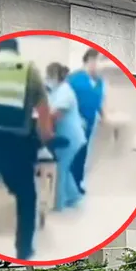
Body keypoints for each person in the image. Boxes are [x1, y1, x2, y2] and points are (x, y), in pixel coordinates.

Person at [0, 38, 53, 261]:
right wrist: (44, 138)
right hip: (14, 138)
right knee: (26, 194)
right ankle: (24, 247)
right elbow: (42, 107)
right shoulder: (27, 69)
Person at [44, 63, 87, 211]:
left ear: (55, 76)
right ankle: (74, 196)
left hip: (71, 137)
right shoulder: (56, 91)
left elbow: (55, 114)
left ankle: (58, 204)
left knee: (60, 168)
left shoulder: (65, 92)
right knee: (64, 166)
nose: (47, 79)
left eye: (49, 76)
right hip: (67, 134)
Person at [65, 48, 105, 193]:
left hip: (88, 126)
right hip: (72, 125)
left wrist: (104, 117)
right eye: (98, 63)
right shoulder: (74, 79)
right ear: (89, 61)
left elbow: (99, 102)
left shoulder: (100, 83)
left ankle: (76, 183)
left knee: (82, 155)